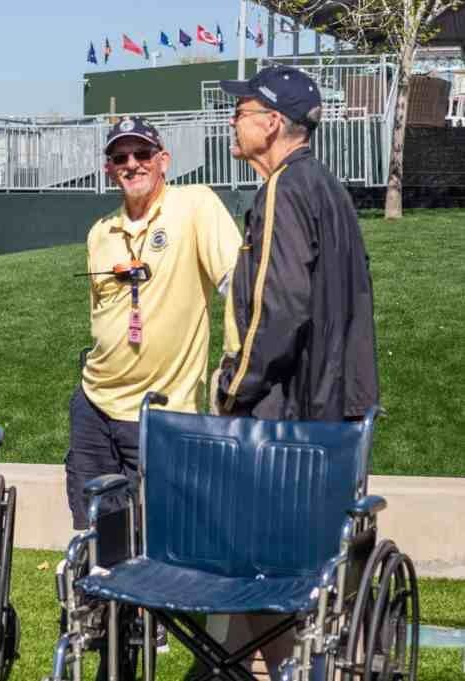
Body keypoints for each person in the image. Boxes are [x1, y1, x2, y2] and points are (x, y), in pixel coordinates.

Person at [205, 65, 380, 680]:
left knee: (256, 563)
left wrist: (231, 387)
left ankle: (276, 669)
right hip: (335, 410)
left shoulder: (285, 188)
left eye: (242, 110)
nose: (233, 119)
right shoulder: (326, 186)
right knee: (294, 572)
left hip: (291, 418)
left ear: (273, 123)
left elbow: (278, 312)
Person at [64, 116, 242, 663]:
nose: (132, 164)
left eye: (143, 153)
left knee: (151, 523)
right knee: (95, 515)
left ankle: (149, 617)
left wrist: (236, 361)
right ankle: (101, 609)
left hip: (160, 407)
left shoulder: (195, 207)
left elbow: (238, 281)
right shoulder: (101, 233)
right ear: (108, 168)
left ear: (164, 159)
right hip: (96, 398)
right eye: (121, 157)